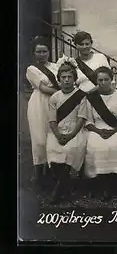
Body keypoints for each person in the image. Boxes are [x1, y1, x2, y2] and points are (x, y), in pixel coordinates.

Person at [82, 67, 117, 201]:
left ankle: (111, 183)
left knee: (114, 146)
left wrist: (114, 131)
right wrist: (98, 131)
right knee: (94, 146)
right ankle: (98, 183)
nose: (103, 83)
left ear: (112, 80)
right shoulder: (91, 98)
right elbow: (88, 120)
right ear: (96, 81)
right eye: (100, 80)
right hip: (97, 129)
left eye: (106, 79)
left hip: (116, 128)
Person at [46, 62, 88, 204]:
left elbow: (82, 119)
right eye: (63, 77)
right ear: (59, 79)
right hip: (57, 131)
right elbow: (52, 120)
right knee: (53, 149)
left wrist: (70, 135)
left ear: (74, 78)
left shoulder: (81, 96)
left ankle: (57, 191)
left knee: (70, 149)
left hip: (76, 131)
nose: (66, 80)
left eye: (69, 77)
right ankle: (66, 187)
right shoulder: (54, 97)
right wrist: (58, 135)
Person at [26, 36, 61, 190]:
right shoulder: (31, 69)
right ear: (34, 53)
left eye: (44, 51)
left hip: (55, 103)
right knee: (40, 139)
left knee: (53, 137)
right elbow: (44, 88)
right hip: (39, 103)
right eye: (38, 52)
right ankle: (39, 175)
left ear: (49, 52)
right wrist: (63, 91)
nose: (42, 54)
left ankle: (54, 174)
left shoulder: (55, 66)